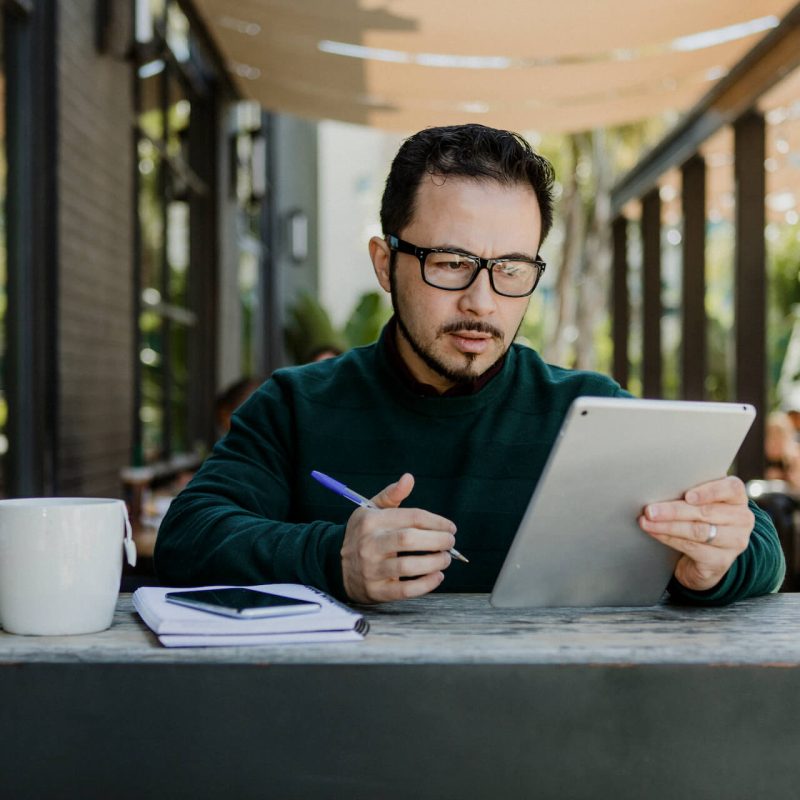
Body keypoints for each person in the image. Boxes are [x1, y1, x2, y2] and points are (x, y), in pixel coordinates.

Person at [155, 123, 785, 605]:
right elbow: (187, 537)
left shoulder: (589, 410)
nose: (482, 302)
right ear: (385, 263)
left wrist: (713, 561)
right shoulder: (297, 404)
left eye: (511, 268)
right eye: (452, 263)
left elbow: (761, 546)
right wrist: (333, 556)